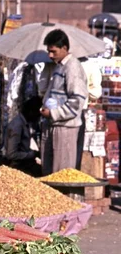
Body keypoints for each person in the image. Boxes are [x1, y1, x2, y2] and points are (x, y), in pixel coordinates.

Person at [40, 29, 88, 175]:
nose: (50, 55)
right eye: (48, 51)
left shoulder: (72, 67)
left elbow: (77, 100)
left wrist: (53, 113)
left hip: (65, 127)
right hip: (53, 124)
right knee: (49, 172)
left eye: (53, 51)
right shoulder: (58, 66)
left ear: (65, 49)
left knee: (62, 173)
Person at [5, 96, 42, 176]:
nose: (38, 118)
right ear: (31, 112)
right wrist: (33, 154)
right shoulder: (17, 126)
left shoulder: (25, 123)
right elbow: (12, 154)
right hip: (17, 167)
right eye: (37, 114)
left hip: (25, 164)